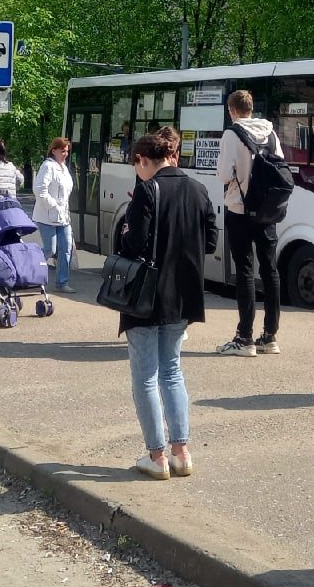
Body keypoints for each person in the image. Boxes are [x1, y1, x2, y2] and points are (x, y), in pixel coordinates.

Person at [116, 130, 217, 480]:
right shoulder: (198, 188)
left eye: (137, 165)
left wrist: (127, 229)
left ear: (145, 160)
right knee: (172, 371)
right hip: (183, 295)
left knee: (145, 377)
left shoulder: (146, 190)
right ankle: (182, 453)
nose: (137, 172)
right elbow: (211, 241)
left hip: (147, 295)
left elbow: (134, 244)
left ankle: (156, 456)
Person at [215, 89, 283, 357]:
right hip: (268, 212)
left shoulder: (232, 134)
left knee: (244, 270)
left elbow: (223, 175)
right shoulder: (271, 132)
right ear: (251, 108)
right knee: (270, 270)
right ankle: (270, 336)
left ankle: (244, 338)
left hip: (240, 209)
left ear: (232, 110)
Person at [33, 137, 76, 294]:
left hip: (63, 217)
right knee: (50, 250)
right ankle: (31, 272)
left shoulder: (64, 168)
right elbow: (39, 190)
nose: (65, 154)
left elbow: (65, 193)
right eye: (62, 151)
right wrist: (54, 205)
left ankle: (62, 282)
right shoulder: (47, 166)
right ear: (54, 151)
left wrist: (62, 209)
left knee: (66, 249)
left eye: (67, 151)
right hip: (47, 216)